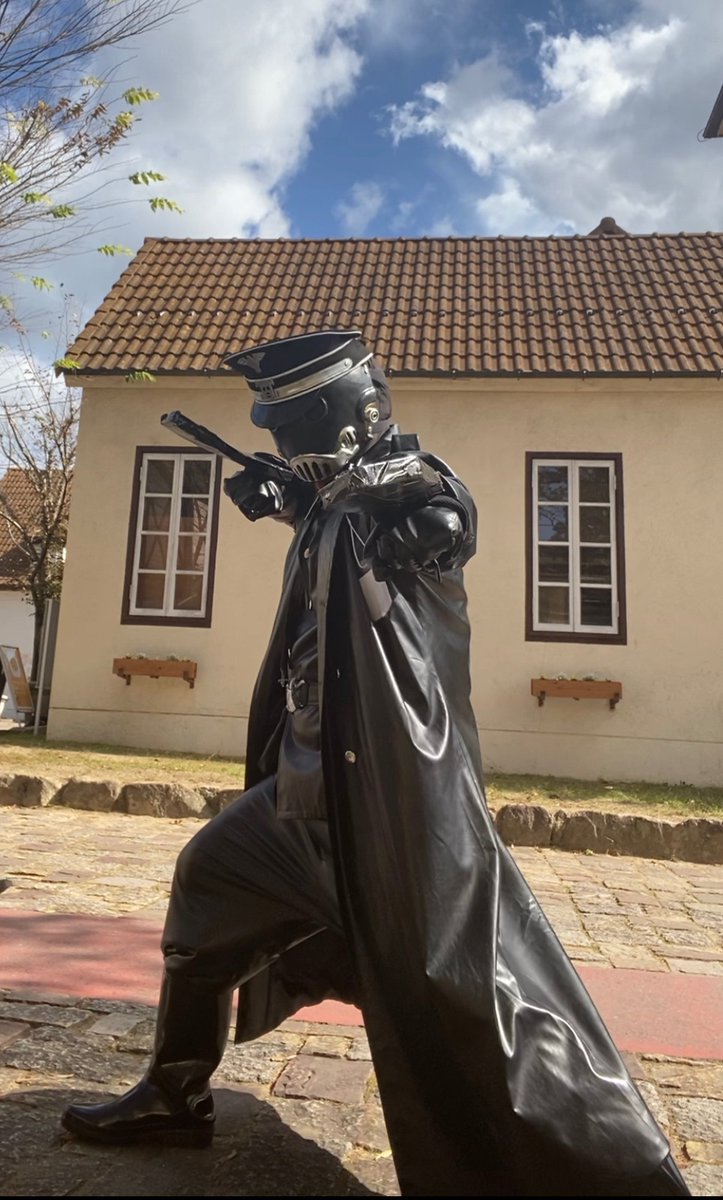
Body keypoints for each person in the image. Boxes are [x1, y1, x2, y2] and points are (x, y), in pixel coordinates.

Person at [61, 331, 690, 1197]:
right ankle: (175, 1093)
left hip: (391, 807)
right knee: (207, 882)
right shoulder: (332, 508)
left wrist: (387, 488)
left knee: (475, 1000)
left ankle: (609, 1174)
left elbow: (441, 513)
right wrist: (292, 502)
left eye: (296, 429)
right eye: (279, 433)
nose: (288, 446)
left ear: (352, 416)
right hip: (303, 794)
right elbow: (334, 545)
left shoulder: (410, 499)